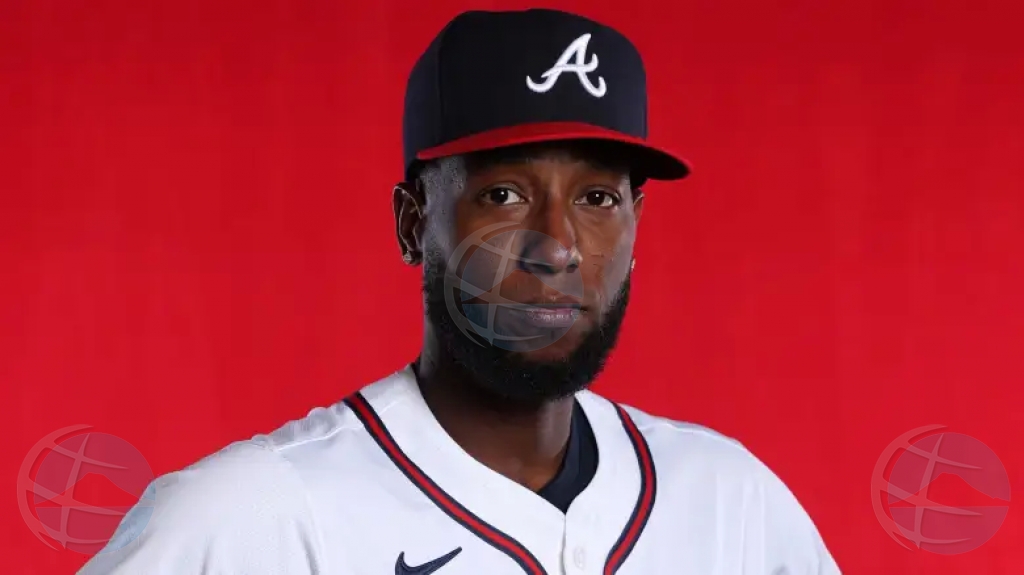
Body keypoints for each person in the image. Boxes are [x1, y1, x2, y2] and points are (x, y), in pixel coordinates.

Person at [80, 8, 840, 574]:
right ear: (414, 223)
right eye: (503, 195)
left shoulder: (732, 505)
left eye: (597, 198)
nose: (557, 246)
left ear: (636, 225)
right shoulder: (255, 517)